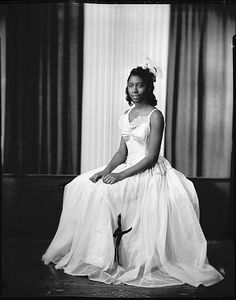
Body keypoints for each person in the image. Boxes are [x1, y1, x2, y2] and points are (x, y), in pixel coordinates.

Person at [42, 61, 224, 288]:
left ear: (149, 88)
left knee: (108, 195)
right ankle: (97, 257)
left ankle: (126, 258)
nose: (134, 90)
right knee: (84, 187)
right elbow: (121, 152)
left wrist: (120, 177)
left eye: (139, 85)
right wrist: (105, 172)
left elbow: (150, 157)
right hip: (127, 166)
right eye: (130, 86)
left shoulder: (156, 116)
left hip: (148, 171)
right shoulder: (127, 114)